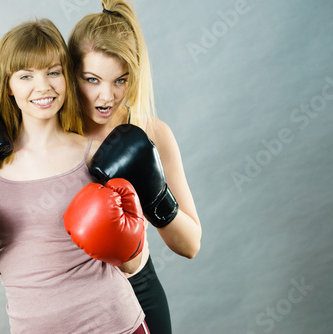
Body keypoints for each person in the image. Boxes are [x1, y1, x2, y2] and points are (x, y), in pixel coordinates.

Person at [0, 18, 151, 334]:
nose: (43, 87)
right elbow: (3, 260)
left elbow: (133, 265)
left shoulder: (95, 154)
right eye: (27, 75)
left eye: (53, 72)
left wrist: (126, 244)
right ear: (9, 86)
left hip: (114, 324)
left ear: (67, 78)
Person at [67, 1, 203, 333]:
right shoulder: (55, 136)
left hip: (138, 294)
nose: (107, 96)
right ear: (71, 73)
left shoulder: (151, 133)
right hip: (70, 304)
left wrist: (155, 194)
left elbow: (190, 245)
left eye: (120, 80)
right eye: (92, 79)